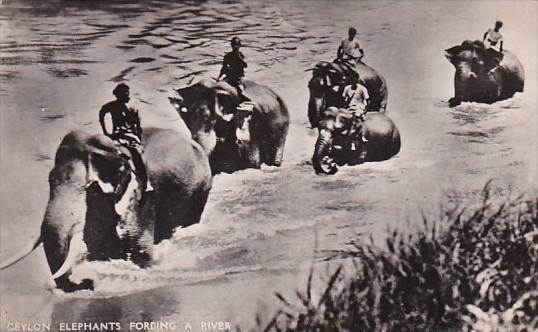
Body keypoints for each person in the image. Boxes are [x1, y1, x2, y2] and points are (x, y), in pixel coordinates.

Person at [99, 83, 152, 192]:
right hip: (120, 136)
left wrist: (138, 137)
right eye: (124, 93)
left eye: (127, 93)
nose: (126, 95)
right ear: (118, 95)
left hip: (128, 137)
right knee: (136, 157)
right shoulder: (114, 106)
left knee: (137, 157)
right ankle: (145, 184)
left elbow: (138, 126)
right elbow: (102, 112)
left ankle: (143, 183)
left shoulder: (131, 108)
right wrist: (105, 131)